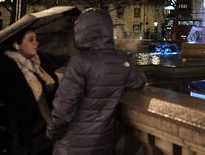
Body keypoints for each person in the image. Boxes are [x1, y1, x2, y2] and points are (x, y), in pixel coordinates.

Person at [47, 8, 147, 155]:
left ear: (82, 31)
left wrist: (52, 132)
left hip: (72, 144)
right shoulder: (121, 60)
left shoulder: (80, 61)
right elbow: (139, 80)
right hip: (102, 143)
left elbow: (64, 106)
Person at [0, 28, 58, 155]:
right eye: (31, 40)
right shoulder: (4, 71)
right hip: (17, 142)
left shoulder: (40, 64)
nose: (36, 43)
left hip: (42, 139)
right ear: (17, 45)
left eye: (36, 39)